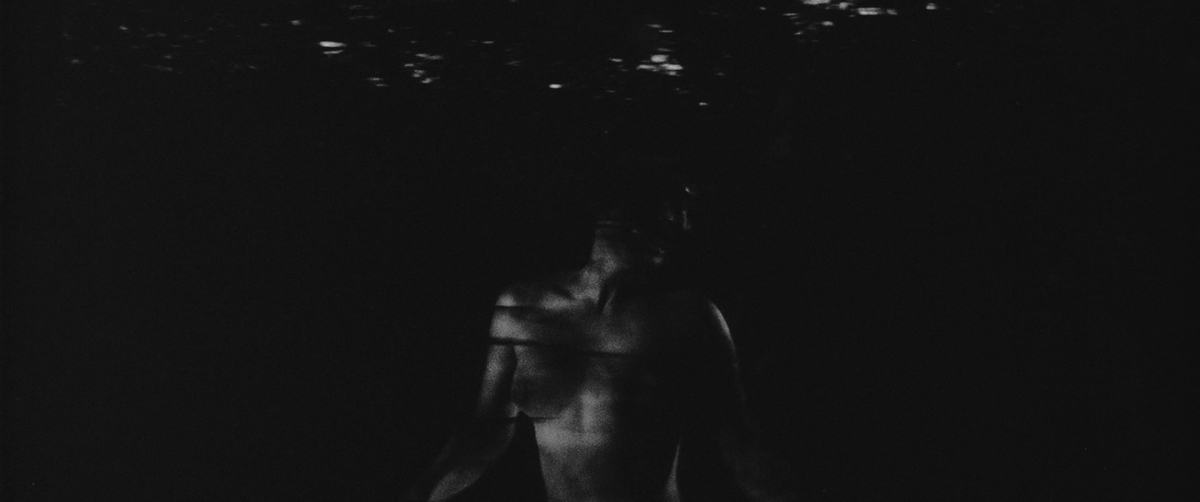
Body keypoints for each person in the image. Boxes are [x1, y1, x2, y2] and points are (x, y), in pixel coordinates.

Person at [407, 179, 790, 502]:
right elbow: (484, 435)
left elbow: (738, 445)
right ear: (614, 208)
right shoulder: (521, 308)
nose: (682, 225)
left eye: (687, 212)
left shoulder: (688, 317)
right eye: (669, 207)